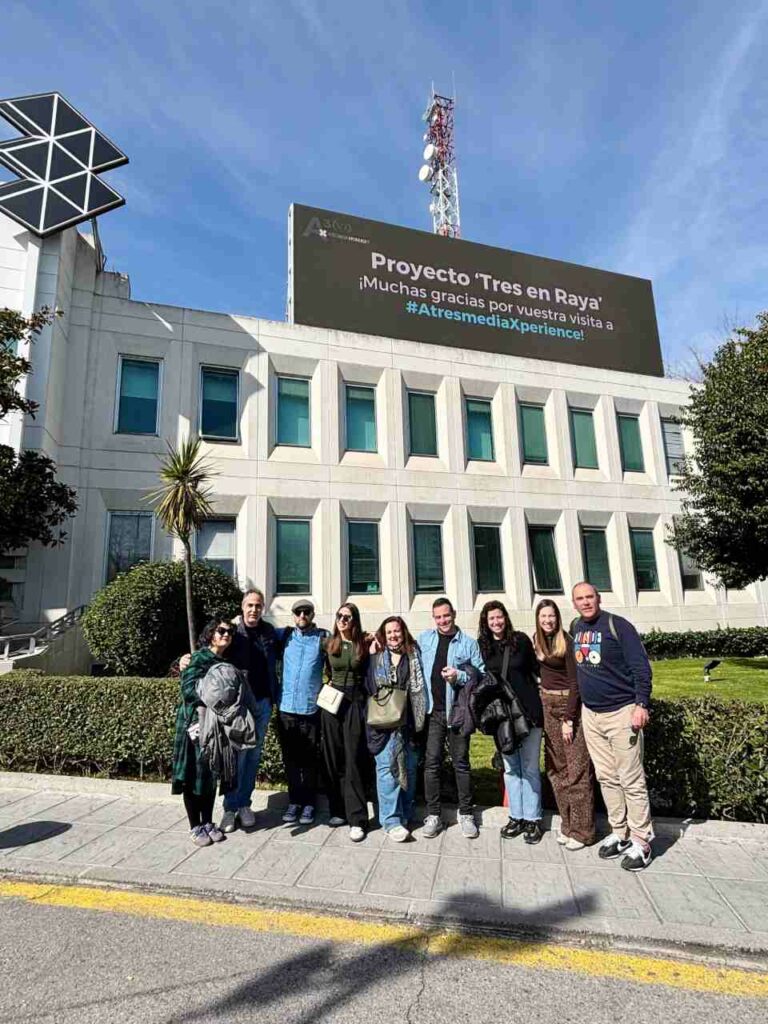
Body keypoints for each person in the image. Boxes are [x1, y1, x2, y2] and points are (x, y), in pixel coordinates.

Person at [571, 581, 654, 871]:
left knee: (631, 778)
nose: (585, 602)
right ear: (574, 603)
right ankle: (620, 833)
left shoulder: (618, 626)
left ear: (599, 598)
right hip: (591, 715)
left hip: (622, 713)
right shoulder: (576, 627)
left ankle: (642, 840)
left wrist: (641, 704)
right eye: (580, 598)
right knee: (606, 777)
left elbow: (641, 667)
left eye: (589, 597)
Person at [477, 600, 544, 844]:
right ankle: (516, 816)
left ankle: (533, 819)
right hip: (503, 719)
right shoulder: (483, 647)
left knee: (529, 768)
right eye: (491, 619)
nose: (496, 622)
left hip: (528, 713)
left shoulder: (521, 641)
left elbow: (537, 671)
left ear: (505, 617)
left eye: (499, 617)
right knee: (511, 769)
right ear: (485, 623)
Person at [419, 597, 485, 839]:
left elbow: (480, 675)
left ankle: (466, 813)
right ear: (433, 618)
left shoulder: (468, 644)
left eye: (446, 615)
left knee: (461, 763)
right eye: (438, 617)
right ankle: (434, 814)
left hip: (458, 712)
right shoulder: (425, 639)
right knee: (432, 763)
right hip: (433, 712)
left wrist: (459, 676)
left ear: (454, 614)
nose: (443, 620)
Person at [534, 599, 596, 850]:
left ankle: (584, 831)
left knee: (577, 769)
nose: (547, 620)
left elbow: (575, 683)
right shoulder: (536, 641)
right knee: (556, 769)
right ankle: (567, 824)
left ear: (557, 618)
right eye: (543, 616)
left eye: (551, 616)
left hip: (568, 708)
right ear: (538, 620)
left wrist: (569, 719)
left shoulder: (567, 642)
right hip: (546, 705)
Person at [171, 616, 235, 847]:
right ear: (211, 634)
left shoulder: (223, 661)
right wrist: (216, 697)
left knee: (209, 775)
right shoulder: (198, 659)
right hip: (195, 723)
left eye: (229, 632)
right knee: (192, 776)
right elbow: (188, 691)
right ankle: (194, 826)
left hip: (216, 724)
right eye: (221, 630)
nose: (226, 634)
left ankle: (208, 822)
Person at [366, 616, 432, 842]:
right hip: (384, 725)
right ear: (383, 635)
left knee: (410, 770)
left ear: (403, 632)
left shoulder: (414, 656)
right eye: (389, 632)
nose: (394, 635)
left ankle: (405, 811)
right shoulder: (376, 658)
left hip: (411, 725)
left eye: (397, 631)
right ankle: (390, 820)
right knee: (387, 771)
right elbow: (369, 686)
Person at [219, 588, 279, 833]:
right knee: (236, 758)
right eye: (249, 605)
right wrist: (185, 660)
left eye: (258, 605)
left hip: (263, 703)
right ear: (242, 608)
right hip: (239, 705)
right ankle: (229, 809)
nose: (254, 609)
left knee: (253, 756)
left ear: (262, 608)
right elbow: (211, 649)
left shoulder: (269, 632)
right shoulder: (232, 633)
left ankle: (245, 804)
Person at [276, 599, 329, 826]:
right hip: (286, 708)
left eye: (306, 612)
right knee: (290, 760)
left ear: (312, 614)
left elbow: (345, 647)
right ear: (293, 615)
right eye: (298, 612)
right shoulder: (284, 636)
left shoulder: (322, 637)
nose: (302, 616)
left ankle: (309, 803)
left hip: (310, 708)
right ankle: (294, 801)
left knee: (309, 759)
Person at [321, 602, 371, 842]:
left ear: (355, 620)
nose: (343, 620)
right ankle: (337, 810)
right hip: (332, 701)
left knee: (353, 758)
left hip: (355, 700)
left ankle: (358, 818)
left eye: (348, 617)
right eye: (339, 616)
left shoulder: (364, 642)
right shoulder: (328, 643)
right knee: (333, 756)